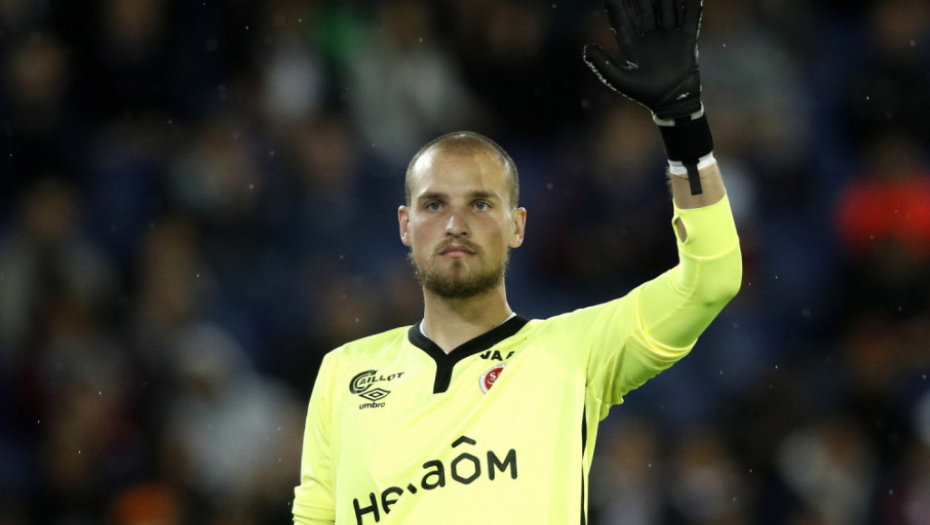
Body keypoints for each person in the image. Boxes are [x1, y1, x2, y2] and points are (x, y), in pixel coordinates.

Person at [292, 0, 742, 523]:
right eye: (434, 205)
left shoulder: (571, 355)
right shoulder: (345, 373)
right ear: (405, 226)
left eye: (481, 204)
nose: (455, 223)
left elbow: (711, 278)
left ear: (517, 226)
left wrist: (683, 125)